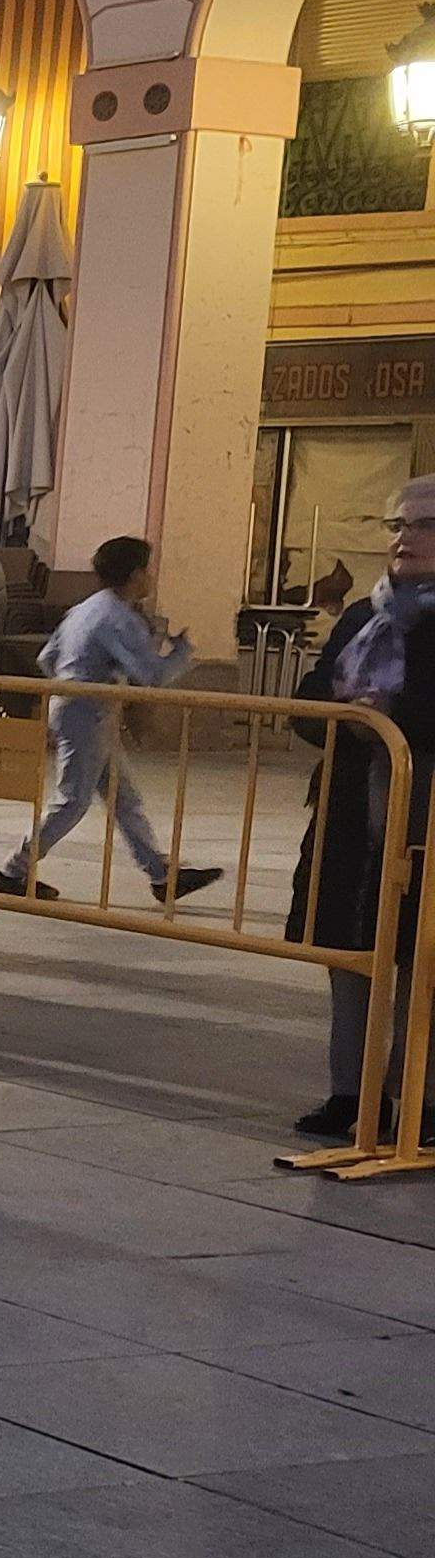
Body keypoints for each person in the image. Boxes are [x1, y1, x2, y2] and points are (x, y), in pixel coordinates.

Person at [288, 479, 435, 1140]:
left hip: (424, 816)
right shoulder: (361, 615)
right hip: (351, 813)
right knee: (348, 956)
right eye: (397, 524)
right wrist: (349, 721)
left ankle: (418, 1100)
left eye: (424, 526)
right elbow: (311, 696)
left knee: (421, 964)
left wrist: (390, 716)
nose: (404, 538)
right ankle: (350, 1093)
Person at [0, 537, 224, 906]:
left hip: (77, 707)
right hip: (89, 711)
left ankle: (161, 874)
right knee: (72, 801)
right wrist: (181, 652)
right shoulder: (120, 618)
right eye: (147, 570)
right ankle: (13, 870)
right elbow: (151, 675)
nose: (151, 577)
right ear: (134, 575)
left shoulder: (85, 609)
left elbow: (46, 657)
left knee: (122, 797)